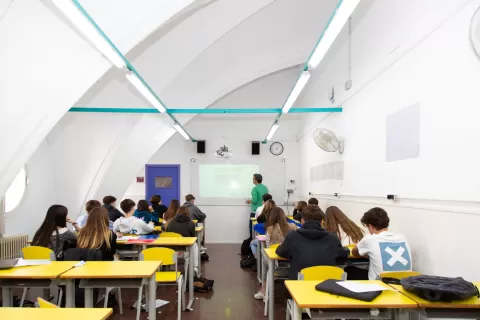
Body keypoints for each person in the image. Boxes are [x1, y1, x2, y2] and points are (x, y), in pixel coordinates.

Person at [276, 204, 348, 280]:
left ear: (302, 220)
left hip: (300, 283)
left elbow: (281, 252)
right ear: (321, 222)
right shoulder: (332, 238)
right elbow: (342, 256)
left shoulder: (293, 236)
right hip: (327, 283)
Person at [352, 207, 412, 280]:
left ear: (370, 226)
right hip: (403, 285)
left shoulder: (370, 239)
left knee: (350, 270)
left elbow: (354, 252)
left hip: (380, 286)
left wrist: (368, 255)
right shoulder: (402, 238)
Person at [254, 207, 297, 300]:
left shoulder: (270, 229)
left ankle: (264, 290)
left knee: (263, 253)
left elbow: (268, 246)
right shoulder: (293, 227)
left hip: (276, 263)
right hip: (292, 262)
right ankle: (264, 289)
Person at [166, 206, 199, 275]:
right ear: (188, 213)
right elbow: (192, 237)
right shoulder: (191, 223)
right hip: (185, 249)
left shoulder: (170, 222)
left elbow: (165, 231)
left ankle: (172, 264)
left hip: (171, 249)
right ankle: (194, 267)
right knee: (195, 244)